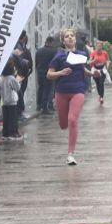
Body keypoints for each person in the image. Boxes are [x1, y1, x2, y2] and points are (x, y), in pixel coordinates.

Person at [48, 28, 89, 165]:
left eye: (72, 36)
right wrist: (61, 72)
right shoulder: (59, 56)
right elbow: (49, 74)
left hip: (78, 90)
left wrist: (92, 73)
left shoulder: (82, 54)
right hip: (62, 92)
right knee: (63, 124)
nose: (70, 38)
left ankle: (70, 154)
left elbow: (83, 69)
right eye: (67, 36)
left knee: (72, 120)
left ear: (75, 39)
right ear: (63, 41)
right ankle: (65, 125)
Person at [35, 36, 59, 114]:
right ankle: (45, 108)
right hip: (49, 73)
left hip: (40, 72)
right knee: (47, 90)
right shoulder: (54, 51)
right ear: (51, 42)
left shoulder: (39, 51)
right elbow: (56, 63)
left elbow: (36, 63)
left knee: (40, 89)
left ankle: (38, 106)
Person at [0, 60, 22, 141]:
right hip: (12, 101)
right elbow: (17, 87)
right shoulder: (12, 78)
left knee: (6, 118)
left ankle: (5, 134)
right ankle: (13, 133)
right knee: (13, 118)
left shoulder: (2, 78)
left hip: (4, 101)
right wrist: (18, 80)